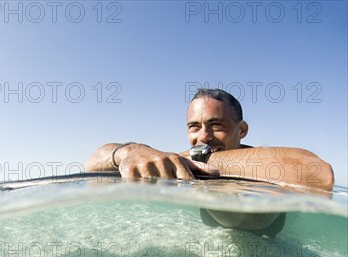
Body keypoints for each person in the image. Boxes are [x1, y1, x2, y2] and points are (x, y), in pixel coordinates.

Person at [86, 88, 334, 236]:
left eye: (216, 125)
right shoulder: (184, 158)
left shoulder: (260, 159)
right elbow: (93, 161)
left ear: (242, 130)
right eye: (194, 126)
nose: (203, 136)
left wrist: (206, 160)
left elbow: (318, 175)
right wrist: (129, 151)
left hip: (266, 234)